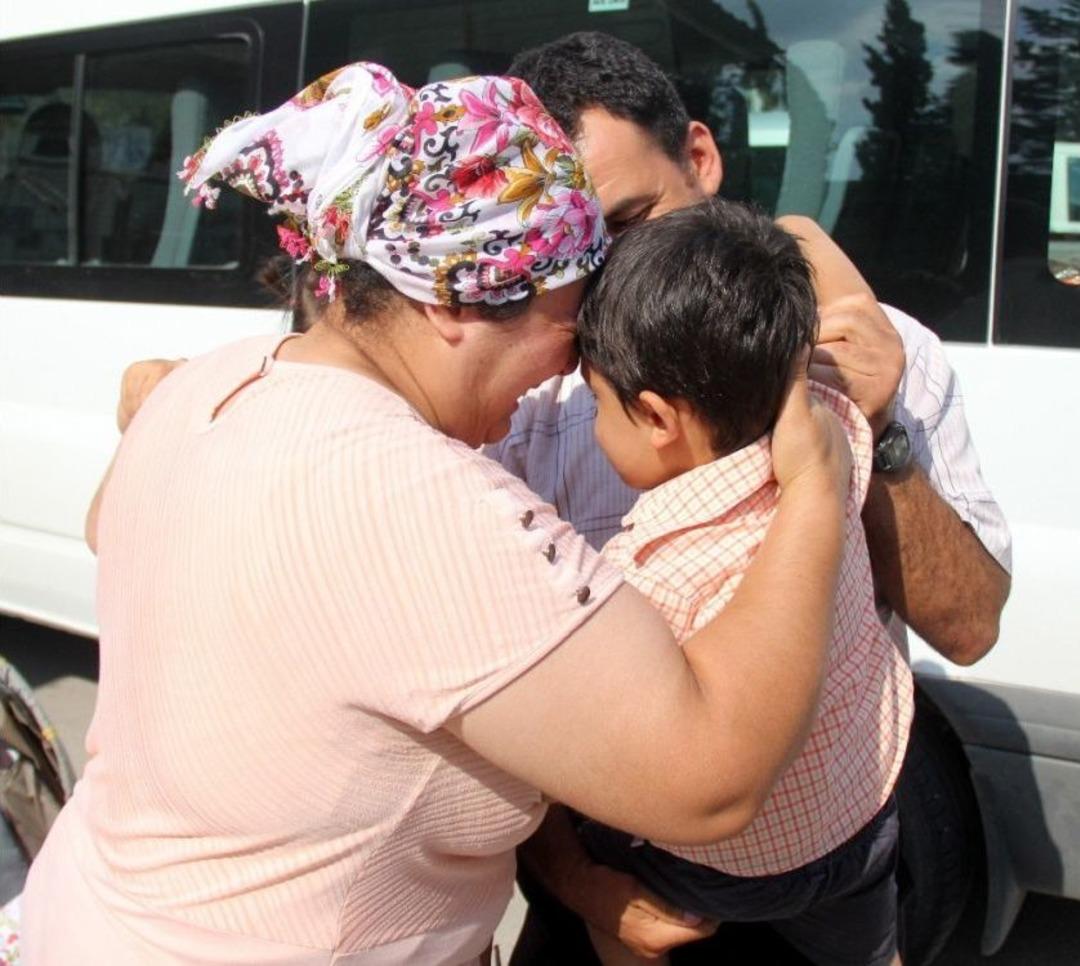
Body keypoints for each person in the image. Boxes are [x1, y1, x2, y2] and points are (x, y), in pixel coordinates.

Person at [21, 63, 854, 966]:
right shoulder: (417, 500)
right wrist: (814, 490)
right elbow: (711, 780)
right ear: (458, 299)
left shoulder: (206, 385)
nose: (575, 369)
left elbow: (113, 526)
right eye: (571, 323)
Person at [494, 31, 1011, 961]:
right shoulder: (527, 389)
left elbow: (968, 627)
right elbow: (477, 680)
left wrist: (879, 430)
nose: (600, 281)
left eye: (624, 224)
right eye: (563, 252)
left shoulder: (878, 353)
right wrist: (579, 880)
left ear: (700, 158)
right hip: (618, 891)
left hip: (826, 860)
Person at [569, 198, 912, 966]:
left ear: (658, 417)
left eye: (595, 402)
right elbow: (806, 238)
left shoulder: (648, 576)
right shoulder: (830, 427)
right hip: (861, 814)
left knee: (602, 869)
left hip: (724, 869)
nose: (591, 424)